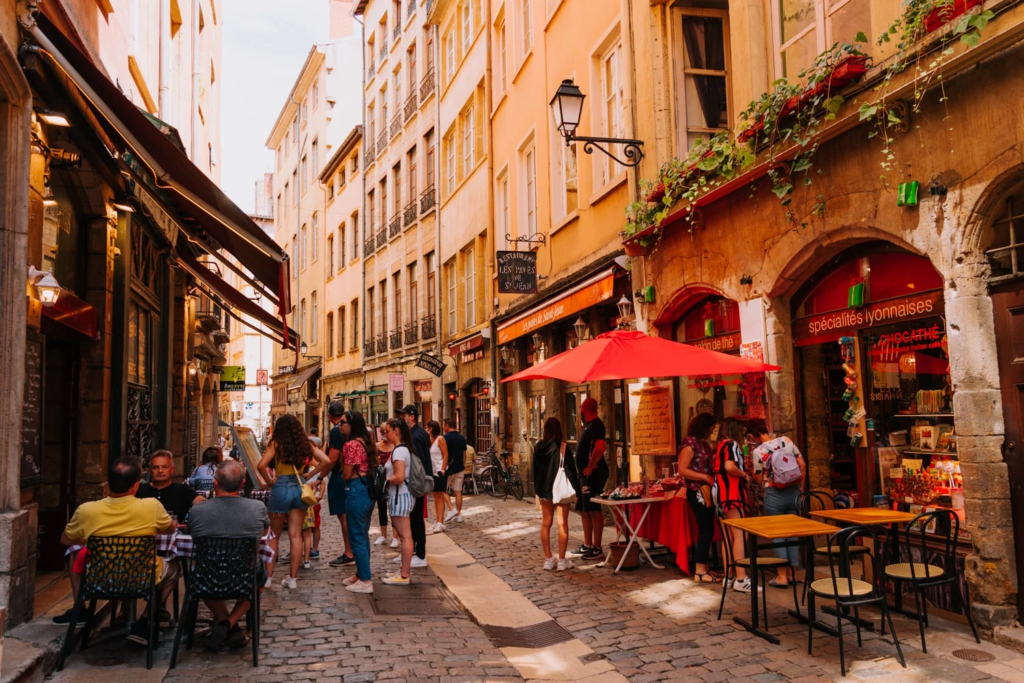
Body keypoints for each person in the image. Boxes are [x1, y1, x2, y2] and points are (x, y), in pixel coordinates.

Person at [59, 455, 179, 646]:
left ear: (108, 485)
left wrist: (92, 536)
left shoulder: (87, 510)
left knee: (74, 554)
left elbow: (66, 539)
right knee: (173, 567)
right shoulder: (151, 507)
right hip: (141, 576)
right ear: (135, 486)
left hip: (99, 578)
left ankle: (80, 608)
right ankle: (146, 619)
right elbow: (170, 529)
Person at [187, 460, 270, 651]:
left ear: (215, 483)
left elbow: (191, 533)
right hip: (244, 577)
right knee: (260, 579)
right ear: (242, 485)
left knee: (202, 575)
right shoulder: (257, 508)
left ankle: (224, 624)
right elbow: (264, 532)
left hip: (207, 577)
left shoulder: (198, 510)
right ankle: (229, 624)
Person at [258, 414, 328, 589]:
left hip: (281, 487)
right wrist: (311, 475)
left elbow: (261, 465)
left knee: (273, 535)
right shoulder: (305, 444)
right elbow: (326, 460)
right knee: (296, 535)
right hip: (299, 488)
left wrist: (269, 481)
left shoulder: (276, 444)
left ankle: (268, 578)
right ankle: (293, 579)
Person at [750, 422, 806, 587]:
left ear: (753, 436)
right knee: (792, 533)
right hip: (793, 491)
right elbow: (802, 464)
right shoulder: (787, 441)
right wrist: (800, 487)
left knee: (778, 534)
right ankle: (793, 574)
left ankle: (781, 576)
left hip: (774, 493)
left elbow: (759, 478)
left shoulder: (758, 451)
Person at [305, 402, 355, 568]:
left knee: (344, 516)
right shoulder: (353, 429)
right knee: (350, 516)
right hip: (354, 475)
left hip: (341, 475)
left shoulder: (336, 431)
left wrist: (318, 477)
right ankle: (353, 550)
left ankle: (349, 552)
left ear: (328, 415)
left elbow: (332, 458)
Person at [338, 411, 379, 593]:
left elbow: (346, 474)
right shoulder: (367, 441)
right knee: (362, 534)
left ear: (351, 425)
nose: (340, 426)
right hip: (367, 490)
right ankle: (361, 573)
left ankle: (366, 580)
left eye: (343, 423)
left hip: (355, 488)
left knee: (356, 536)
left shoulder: (351, 445)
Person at [678, 412, 718, 584]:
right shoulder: (690, 444)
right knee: (705, 529)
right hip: (697, 491)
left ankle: (704, 567)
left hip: (705, 490)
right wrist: (704, 477)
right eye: (710, 428)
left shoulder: (702, 443)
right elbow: (682, 469)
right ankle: (700, 570)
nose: (711, 431)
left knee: (707, 528)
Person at [534, 418, 579, 571]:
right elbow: (571, 471)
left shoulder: (538, 448)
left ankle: (548, 559)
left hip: (545, 490)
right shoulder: (562, 447)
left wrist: (538, 491)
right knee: (562, 524)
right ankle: (561, 560)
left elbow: (535, 472)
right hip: (559, 489)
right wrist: (577, 490)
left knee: (546, 523)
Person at [713, 417, 751, 593]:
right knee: (740, 535)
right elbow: (729, 466)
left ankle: (729, 576)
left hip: (721, 493)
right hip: (732, 493)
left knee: (728, 537)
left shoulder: (719, 445)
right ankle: (741, 578)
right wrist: (744, 475)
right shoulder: (732, 445)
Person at [573, 398, 609, 561]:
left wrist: (590, 465)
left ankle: (597, 548)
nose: (580, 410)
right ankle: (587, 544)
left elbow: (601, 447)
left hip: (593, 474)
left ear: (585, 408)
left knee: (594, 509)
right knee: (584, 508)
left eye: (581, 407)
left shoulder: (596, 425)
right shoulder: (587, 425)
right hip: (584, 475)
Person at [396, 405, 431, 568]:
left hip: (416, 483)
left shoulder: (416, 435)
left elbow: (419, 461)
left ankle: (420, 554)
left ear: (412, 417)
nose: (401, 418)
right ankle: (413, 551)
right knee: (412, 518)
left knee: (415, 518)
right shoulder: (416, 433)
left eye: (404, 416)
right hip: (417, 482)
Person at [382, 417, 415, 585]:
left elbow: (400, 477)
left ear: (396, 431)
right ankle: (403, 571)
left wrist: (384, 481)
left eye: (387, 431)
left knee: (405, 536)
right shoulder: (402, 449)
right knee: (404, 536)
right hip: (401, 495)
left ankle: (404, 575)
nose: (385, 435)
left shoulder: (399, 451)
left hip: (400, 495)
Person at [136, 450, 199, 522]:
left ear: (172, 470)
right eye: (156, 467)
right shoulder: (139, 490)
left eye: (164, 467)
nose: (160, 471)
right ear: (150, 471)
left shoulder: (183, 490)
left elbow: (205, 506)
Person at [425, 420, 449, 532]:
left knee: (440, 497)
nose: (426, 429)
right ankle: (437, 519)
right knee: (435, 497)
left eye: (428, 427)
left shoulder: (440, 439)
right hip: (433, 471)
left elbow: (445, 455)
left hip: (440, 470)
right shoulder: (429, 440)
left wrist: (443, 469)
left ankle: (441, 521)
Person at [442, 419, 468, 524]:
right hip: (459, 468)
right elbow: (464, 454)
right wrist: (463, 465)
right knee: (458, 492)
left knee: (441, 490)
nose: (443, 428)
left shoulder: (444, 438)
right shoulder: (461, 438)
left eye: (444, 425)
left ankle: (451, 509)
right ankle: (458, 514)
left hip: (449, 468)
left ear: (447, 426)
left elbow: (443, 454)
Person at [374, 429, 396, 547]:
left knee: (393, 508)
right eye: (382, 433)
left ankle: (395, 536)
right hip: (380, 481)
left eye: (385, 432)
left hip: (392, 479)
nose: (384, 435)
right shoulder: (376, 446)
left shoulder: (394, 446)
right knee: (381, 507)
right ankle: (383, 535)